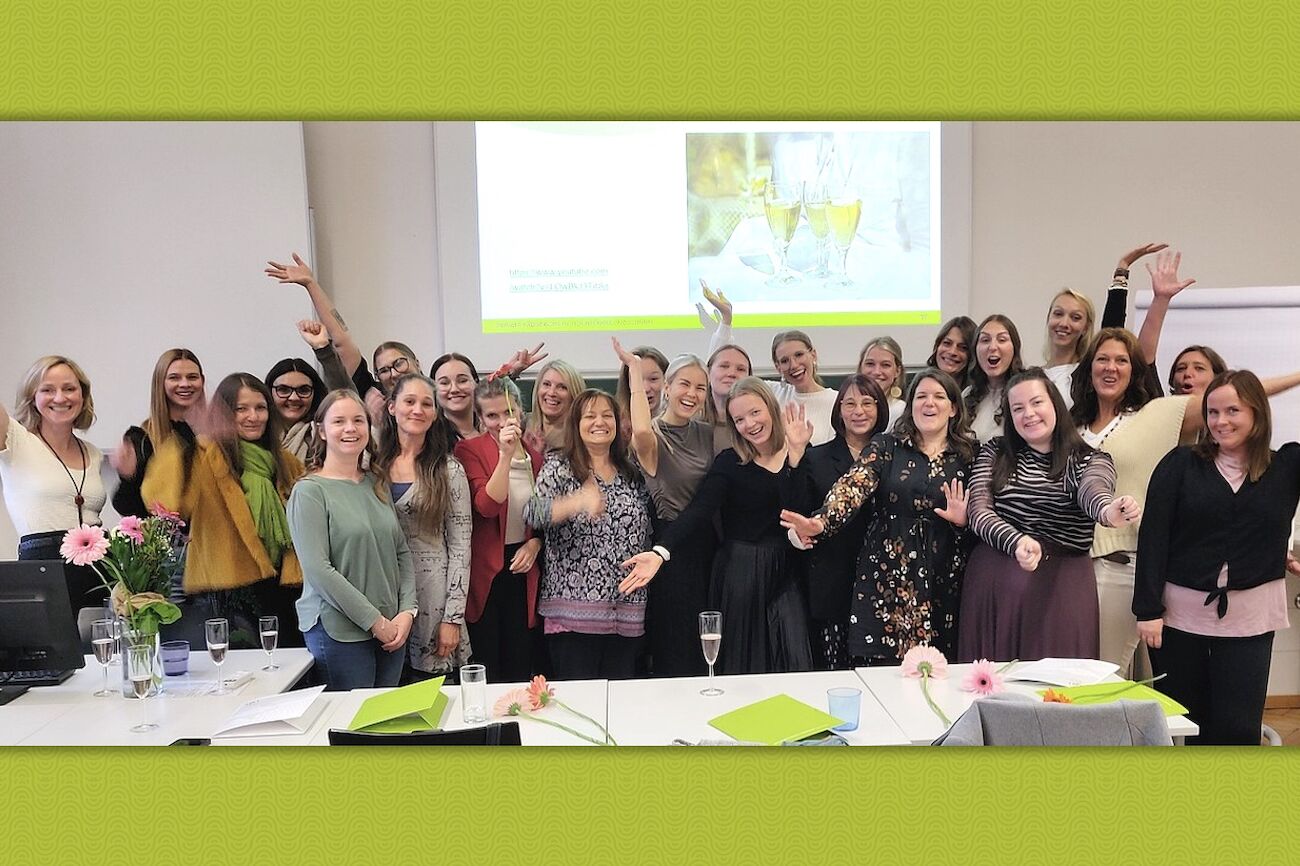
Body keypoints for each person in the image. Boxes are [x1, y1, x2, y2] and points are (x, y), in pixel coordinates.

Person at [1135, 370, 1300, 745]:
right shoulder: (1180, 464)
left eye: (1232, 411)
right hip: (1179, 618)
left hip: (1251, 619)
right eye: (1212, 412)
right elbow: (1154, 536)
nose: (1220, 422)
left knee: (1238, 727)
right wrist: (1146, 610)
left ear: (1257, 413)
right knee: (1186, 722)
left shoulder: (1287, 466)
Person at [622, 377, 815, 675]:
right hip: (741, 574)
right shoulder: (730, 462)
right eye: (739, 419)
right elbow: (698, 511)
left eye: (754, 413)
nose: (749, 424)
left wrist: (797, 457)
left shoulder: (800, 451)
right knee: (743, 665)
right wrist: (661, 551)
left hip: (786, 574)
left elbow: (797, 515)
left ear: (771, 408)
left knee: (792, 659)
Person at [782, 370, 974, 665]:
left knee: (939, 677)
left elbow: (986, 512)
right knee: (881, 677)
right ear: (910, 406)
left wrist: (965, 521)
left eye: (939, 397)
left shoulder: (970, 456)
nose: (929, 403)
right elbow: (852, 487)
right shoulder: (886, 447)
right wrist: (821, 521)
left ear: (954, 408)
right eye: (921, 396)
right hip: (887, 583)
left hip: (944, 582)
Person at [959, 368, 1138, 662]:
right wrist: (1017, 542)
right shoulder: (995, 451)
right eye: (1017, 408)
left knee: (1057, 690)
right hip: (994, 581)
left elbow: (1093, 491)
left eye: (1036, 403)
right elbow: (979, 511)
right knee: (990, 689)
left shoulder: (1091, 458)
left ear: (1055, 404)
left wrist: (1109, 512)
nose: (1028, 413)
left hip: (1061, 587)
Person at [143, 373, 306, 644]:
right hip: (228, 596)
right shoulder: (204, 454)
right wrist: (186, 444)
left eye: (260, 407)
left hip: (283, 590)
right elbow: (167, 504)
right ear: (224, 413)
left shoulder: (285, 462)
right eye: (240, 409)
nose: (252, 416)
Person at [287, 389, 415, 690]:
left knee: (384, 729)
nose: (350, 429)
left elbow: (402, 552)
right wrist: (375, 621)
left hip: (393, 629)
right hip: (340, 632)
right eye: (339, 421)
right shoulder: (309, 492)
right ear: (321, 430)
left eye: (358, 420)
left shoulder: (376, 483)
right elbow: (319, 570)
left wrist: (407, 612)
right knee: (351, 731)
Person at [523, 389, 653, 679]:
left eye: (608, 416)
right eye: (590, 416)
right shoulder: (559, 466)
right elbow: (532, 514)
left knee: (621, 705)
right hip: (573, 615)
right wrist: (576, 501)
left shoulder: (631, 471)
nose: (600, 422)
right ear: (576, 424)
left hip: (628, 610)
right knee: (581, 704)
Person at [615, 340, 717, 676]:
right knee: (678, 645)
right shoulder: (652, 436)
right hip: (670, 549)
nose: (692, 393)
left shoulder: (707, 432)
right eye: (684, 384)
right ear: (668, 387)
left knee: (710, 641)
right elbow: (641, 427)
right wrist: (634, 370)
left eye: (701, 387)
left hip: (710, 546)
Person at [779, 374, 890, 669]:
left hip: (883, 584)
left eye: (868, 403)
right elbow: (797, 511)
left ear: (881, 409)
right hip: (832, 581)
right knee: (834, 672)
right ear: (838, 410)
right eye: (849, 403)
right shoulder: (816, 457)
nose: (859, 411)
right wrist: (795, 456)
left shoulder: (895, 458)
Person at [374, 373, 473, 680]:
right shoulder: (370, 466)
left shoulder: (448, 470)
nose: (418, 410)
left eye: (426, 404)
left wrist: (453, 618)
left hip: (432, 603)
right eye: (409, 401)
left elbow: (460, 546)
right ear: (392, 407)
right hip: (381, 599)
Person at [0, 356, 109, 613]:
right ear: (32, 397)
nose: (60, 398)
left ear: (83, 395)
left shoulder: (93, 453)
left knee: (102, 650)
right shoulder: (14, 439)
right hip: (43, 573)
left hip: (98, 573)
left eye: (69, 389)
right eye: (47, 390)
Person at [454, 376, 545, 682]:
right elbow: (487, 506)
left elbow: (541, 514)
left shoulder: (535, 453)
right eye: (492, 416)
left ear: (520, 411)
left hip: (524, 564)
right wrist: (505, 455)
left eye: (508, 412)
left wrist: (535, 545)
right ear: (480, 419)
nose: (502, 421)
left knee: (522, 661)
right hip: (488, 570)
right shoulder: (470, 451)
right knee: (490, 662)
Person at [111, 348, 206, 519]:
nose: (185, 384)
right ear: (160, 382)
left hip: (209, 539)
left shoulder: (208, 437)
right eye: (174, 377)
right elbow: (126, 507)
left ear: (202, 381)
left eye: (192, 377)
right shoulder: (141, 438)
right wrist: (128, 479)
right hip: (164, 542)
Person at [266, 320, 354, 462]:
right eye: (283, 390)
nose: (294, 397)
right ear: (269, 393)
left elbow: (346, 398)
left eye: (303, 390)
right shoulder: (258, 435)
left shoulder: (322, 434)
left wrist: (322, 348)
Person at [769, 330, 838, 446]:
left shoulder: (837, 400)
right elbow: (734, 382)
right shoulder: (771, 393)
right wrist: (727, 323)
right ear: (778, 367)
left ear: (813, 355)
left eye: (799, 355)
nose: (794, 365)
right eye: (785, 361)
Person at [965, 314, 1025, 442]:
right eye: (985, 340)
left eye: (1002, 340)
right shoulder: (967, 394)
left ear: (1015, 347)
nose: (992, 347)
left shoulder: (1026, 391)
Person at [524, 359, 586, 454]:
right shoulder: (523, 424)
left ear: (574, 395)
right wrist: (511, 373)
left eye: (562, 387)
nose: (552, 393)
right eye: (547, 384)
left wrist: (535, 456)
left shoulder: (579, 438)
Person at [615, 344, 669, 436]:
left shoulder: (682, 425)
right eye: (638, 380)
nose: (645, 389)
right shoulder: (617, 427)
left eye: (653, 379)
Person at [431, 352, 482, 447]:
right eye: (444, 383)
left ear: (476, 383)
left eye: (462, 381)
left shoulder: (493, 429)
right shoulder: (430, 438)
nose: (454, 389)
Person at [858, 336, 907, 430]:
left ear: (897, 371)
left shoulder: (902, 412)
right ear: (861, 367)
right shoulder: (846, 407)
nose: (876, 372)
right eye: (870, 364)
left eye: (885, 365)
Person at [926, 316, 977, 391]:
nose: (952, 352)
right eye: (947, 343)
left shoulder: (979, 395)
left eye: (963, 347)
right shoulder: (919, 387)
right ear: (937, 346)